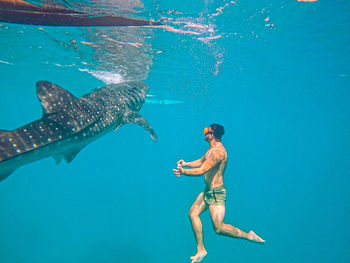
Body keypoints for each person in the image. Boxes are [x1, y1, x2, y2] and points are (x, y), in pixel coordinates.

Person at [173, 124, 265, 263]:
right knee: (192, 214)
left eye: (206, 131)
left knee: (219, 228)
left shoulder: (218, 152)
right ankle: (201, 250)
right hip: (207, 191)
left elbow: (202, 170)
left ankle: (248, 235)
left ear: (212, 134)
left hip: (216, 193)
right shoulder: (211, 149)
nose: (204, 133)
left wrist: (182, 171)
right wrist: (186, 163)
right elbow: (200, 161)